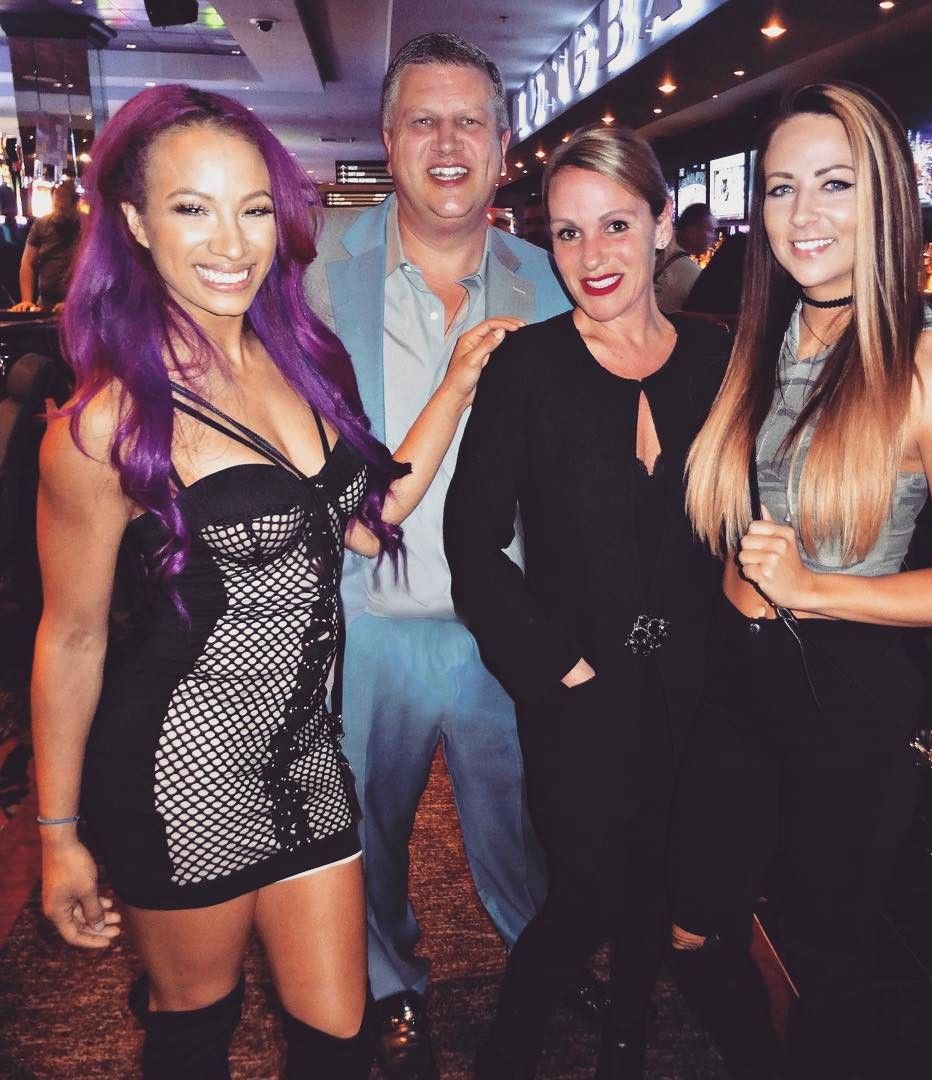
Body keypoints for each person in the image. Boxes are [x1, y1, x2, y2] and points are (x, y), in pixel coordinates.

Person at [31, 84, 507, 1080]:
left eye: (252, 208)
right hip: (180, 775)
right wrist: (58, 834)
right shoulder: (105, 424)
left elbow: (365, 527)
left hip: (306, 758)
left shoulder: (300, 362)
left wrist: (457, 385)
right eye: (192, 207)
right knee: (194, 1038)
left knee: (338, 1035)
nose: (231, 242)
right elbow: (72, 639)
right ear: (135, 222)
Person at [673, 82, 932, 1080]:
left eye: (835, 183)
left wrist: (815, 588)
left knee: (830, 957)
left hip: (846, 690)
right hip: (735, 678)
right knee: (692, 918)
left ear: (887, 199)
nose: (802, 213)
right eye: (781, 187)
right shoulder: (767, 337)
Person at [305, 33, 573, 1079]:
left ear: (504, 146)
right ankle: (392, 986)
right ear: (388, 138)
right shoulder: (318, 280)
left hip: (506, 625)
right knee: (363, 832)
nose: (449, 142)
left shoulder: (553, 282)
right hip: (367, 621)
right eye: (424, 119)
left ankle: (537, 964)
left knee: (524, 825)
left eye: (470, 121)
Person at [445, 124, 730, 1079]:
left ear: (661, 225)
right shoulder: (528, 367)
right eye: (567, 233)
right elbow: (471, 544)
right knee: (589, 892)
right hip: (576, 687)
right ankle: (508, 1051)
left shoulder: (717, 357)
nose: (592, 254)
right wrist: (554, 667)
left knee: (657, 877)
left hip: (698, 687)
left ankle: (626, 1044)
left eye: (615, 224)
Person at [12, 177, 82, 311]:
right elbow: (27, 264)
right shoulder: (41, 225)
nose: (58, 213)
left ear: (75, 206)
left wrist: (74, 304)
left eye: (63, 209)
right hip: (45, 305)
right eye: (56, 207)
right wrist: (26, 301)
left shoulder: (86, 228)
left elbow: (91, 272)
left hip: (76, 307)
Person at [653, 202, 716, 313]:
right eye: (710, 230)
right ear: (692, 230)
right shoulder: (690, 272)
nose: (713, 238)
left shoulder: (659, 247)